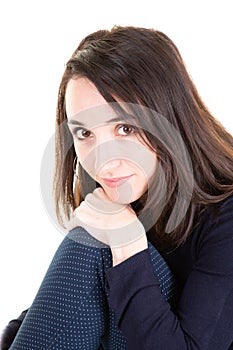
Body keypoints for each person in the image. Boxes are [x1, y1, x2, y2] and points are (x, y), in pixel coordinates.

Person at [5, 26, 233, 349]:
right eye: (84, 134)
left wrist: (126, 243)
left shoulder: (227, 214)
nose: (104, 161)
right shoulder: (132, 187)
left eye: (124, 127)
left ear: (169, 116)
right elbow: (66, 302)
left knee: (96, 244)